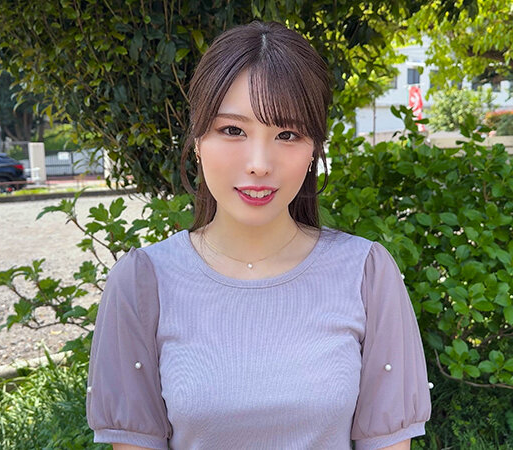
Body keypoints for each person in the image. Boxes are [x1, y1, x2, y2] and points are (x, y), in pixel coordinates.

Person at [86, 21, 431, 450]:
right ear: (197, 140)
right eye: (233, 130)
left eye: (287, 135)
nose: (259, 163)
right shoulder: (142, 283)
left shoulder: (367, 274)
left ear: (313, 150)